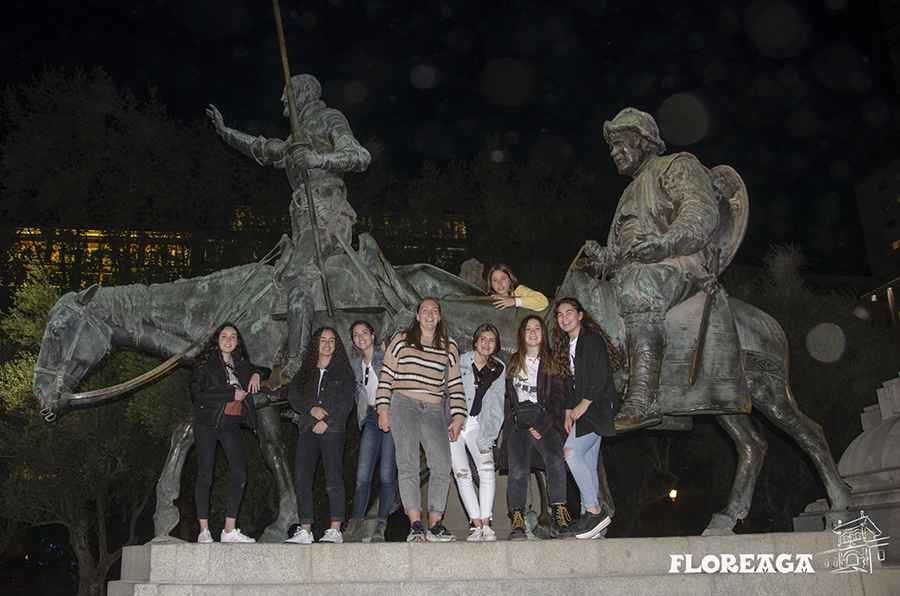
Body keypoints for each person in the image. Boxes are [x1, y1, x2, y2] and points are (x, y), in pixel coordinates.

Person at [207, 74, 371, 384]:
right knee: (282, 275)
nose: (284, 100)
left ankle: (296, 359)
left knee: (297, 273)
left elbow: (360, 156)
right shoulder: (293, 138)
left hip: (327, 212)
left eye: (289, 93)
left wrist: (317, 158)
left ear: (306, 93)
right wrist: (226, 132)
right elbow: (262, 149)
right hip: (303, 220)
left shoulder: (328, 118)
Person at [584, 107, 722, 431]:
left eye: (621, 144)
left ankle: (644, 400)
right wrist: (604, 258)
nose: (615, 153)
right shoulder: (627, 193)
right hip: (634, 269)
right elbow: (620, 252)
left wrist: (666, 242)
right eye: (612, 147)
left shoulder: (676, 165)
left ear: (643, 142)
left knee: (637, 290)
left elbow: (700, 212)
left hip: (679, 262)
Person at [376, 298, 466, 542]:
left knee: (442, 464)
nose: (429, 314)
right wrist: (383, 408)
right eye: (425, 310)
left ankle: (435, 526)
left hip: (433, 409)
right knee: (408, 464)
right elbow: (386, 374)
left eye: (434, 311)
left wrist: (458, 416)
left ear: (439, 317)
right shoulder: (401, 339)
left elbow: (455, 384)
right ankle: (415, 524)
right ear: (416, 315)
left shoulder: (449, 346)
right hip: (403, 403)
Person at [189, 323, 268, 543]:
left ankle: (229, 530)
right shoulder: (205, 363)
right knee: (206, 475)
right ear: (217, 340)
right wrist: (230, 393)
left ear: (237, 342)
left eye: (233, 337)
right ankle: (204, 531)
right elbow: (197, 393)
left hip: (231, 423)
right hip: (207, 422)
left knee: (240, 475)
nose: (228, 340)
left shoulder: (240, 363)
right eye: (224, 336)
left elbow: (266, 370)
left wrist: (256, 375)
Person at [552, 298, 622, 539]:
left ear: (580, 315)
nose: (564, 318)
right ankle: (589, 520)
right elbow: (571, 384)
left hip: (598, 406)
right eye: (560, 314)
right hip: (585, 408)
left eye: (569, 312)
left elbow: (601, 374)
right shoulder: (567, 346)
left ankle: (595, 511)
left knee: (571, 452)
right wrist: (569, 411)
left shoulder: (591, 339)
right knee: (588, 464)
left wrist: (585, 403)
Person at [502, 315, 575, 540]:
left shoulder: (552, 361)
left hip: (545, 422)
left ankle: (559, 514)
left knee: (555, 460)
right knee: (517, 469)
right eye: (528, 329)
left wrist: (541, 424)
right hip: (519, 423)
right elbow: (510, 396)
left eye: (537, 328)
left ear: (543, 334)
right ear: (522, 334)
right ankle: (517, 518)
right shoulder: (514, 361)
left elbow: (559, 397)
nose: (533, 333)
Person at [285, 327, 356, 544]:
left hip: (332, 431)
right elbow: (293, 396)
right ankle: (305, 531)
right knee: (302, 479)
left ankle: (335, 530)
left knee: (333, 480)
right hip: (308, 429)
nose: (326, 344)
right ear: (316, 344)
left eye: (331, 340)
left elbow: (346, 403)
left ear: (336, 345)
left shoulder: (343, 370)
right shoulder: (306, 370)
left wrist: (327, 421)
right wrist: (311, 409)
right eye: (322, 340)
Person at [343, 321, 395, 543]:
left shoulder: (386, 356)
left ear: (373, 336)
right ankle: (354, 526)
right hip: (371, 420)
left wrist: (389, 351)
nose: (361, 337)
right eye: (356, 335)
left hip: (390, 415)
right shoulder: (354, 365)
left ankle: (380, 527)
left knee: (386, 475)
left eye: (364, 333)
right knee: (362, 476)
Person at [453, 324, 505, 542]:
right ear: (475, 342)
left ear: (496, 345)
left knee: (487, 467)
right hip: (454, 422)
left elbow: (497, 407)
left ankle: (486, 525)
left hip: (477, 423)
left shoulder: (499, 368)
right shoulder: (460, 361)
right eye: (483, 339)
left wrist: (488, 437)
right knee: (462, 473)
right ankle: (475, 526)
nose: (486, 344)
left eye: (491, 340)